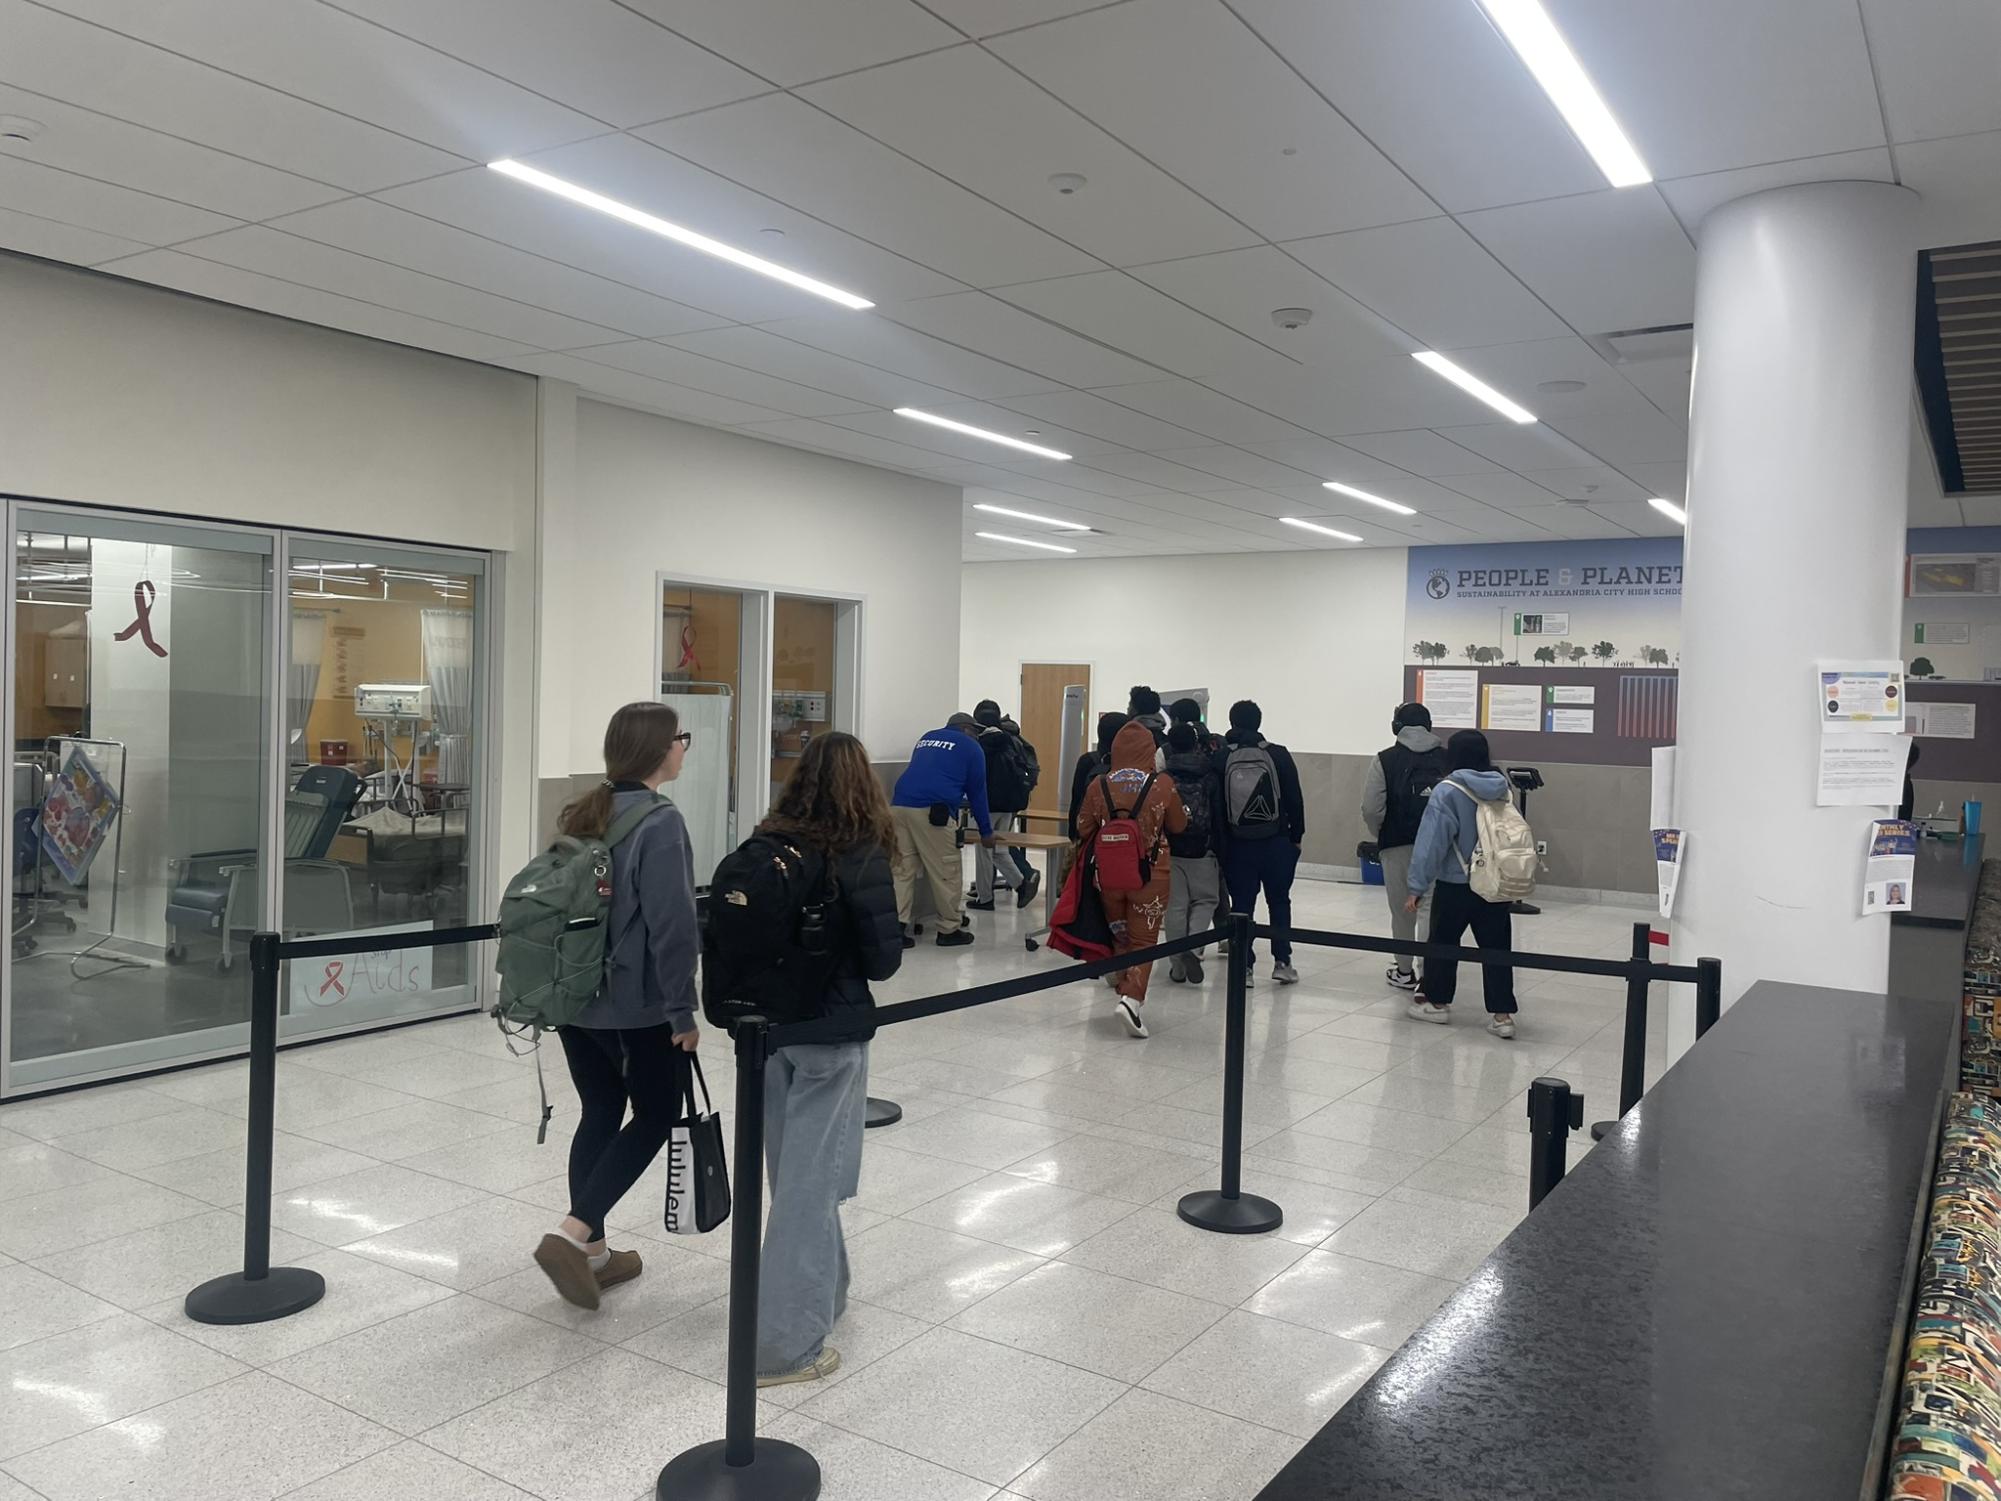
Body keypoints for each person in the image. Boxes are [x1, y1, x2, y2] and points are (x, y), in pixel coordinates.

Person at [533, 701, 699, 1311]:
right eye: (681, 738)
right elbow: (673, 927)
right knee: (656, 1113)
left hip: (573, 996)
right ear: (659, 751)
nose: (685, 747)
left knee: (601, 1109)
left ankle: (597, 1257)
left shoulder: (584, 811)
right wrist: (682, 1012)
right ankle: (573, 1234)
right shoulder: (660, 822)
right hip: (636, 1005)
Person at [750, 732, 903, 1388]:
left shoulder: (764, 843)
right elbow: (883, 959)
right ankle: (785, 1346)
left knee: (794, 1177)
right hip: (831, 1035)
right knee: (809, 1189)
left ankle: (826, 1291)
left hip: (766, 1032)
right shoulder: (857, 849)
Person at [1403, 729, 1519, 1038]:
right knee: (1496, 948)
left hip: (1456, 882)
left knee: (1442, 943)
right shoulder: (1502, 788)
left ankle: (1437, 1003)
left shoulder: (1448, 790)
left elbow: (1431, 843)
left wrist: (1416, 885)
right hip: (1495, 882)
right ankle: (1502, 1015)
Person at [1074, 721, 1187, 1037]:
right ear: (1150, 751)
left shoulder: (1099, 783)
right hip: (1151, 875)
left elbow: (1083, 827)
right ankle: (1131, 1000)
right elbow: (1178, 825)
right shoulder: (1161, 784)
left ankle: (1119, 974)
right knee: (1144, 939)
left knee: (1120, 932)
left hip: (1108, 875)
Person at [1216, 700, 1306, 986]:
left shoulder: (1221, 758)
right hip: (1277, 841)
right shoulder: (1278, 755)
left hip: (1238, 844)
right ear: (1259, 722)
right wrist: (1296, 838)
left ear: (1232, 723)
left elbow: (1217, 806)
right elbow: (1295, 798)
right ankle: (1282, 962)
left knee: (1242, 904)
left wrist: (1221, 844)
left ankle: (1244, 967)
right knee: (1279, 901)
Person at [1361, 703, 1448, 994]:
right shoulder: (1447, 759)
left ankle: (1404, 971)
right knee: (1430, 910)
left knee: (1402, 910)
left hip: (1397, 843)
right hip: (1439, 845)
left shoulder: (1385, 759)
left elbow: (1372, 808)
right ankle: (1429, 975)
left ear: (1397, 727)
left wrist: (1382, 834)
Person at [890, 713, 992, 947]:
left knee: (902, 870)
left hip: (898, 807)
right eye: (975, 731)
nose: (976, 736)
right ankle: (949, 929)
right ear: (966, 728)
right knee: (947, 870)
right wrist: (986, 831)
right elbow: (978, 793)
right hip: (933, 813)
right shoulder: (971, 747)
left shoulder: (927, 737)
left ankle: (896, 928)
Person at [1162, 720, 1222, 984]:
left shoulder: (1165, 777)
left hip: (1172, 848)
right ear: (1196, 744)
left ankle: (1177, 967)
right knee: (1206, 900)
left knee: (1175, 907)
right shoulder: (1209, 774)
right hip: (1202, 848)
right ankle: (1195, 947)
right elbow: (1218, 815)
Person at [969, 699, 1041, 912]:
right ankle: (1021, 884)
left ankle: (985, 899)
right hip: (1010, 805)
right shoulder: (1011, 739)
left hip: (986, 805)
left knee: (983, 851)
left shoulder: (978, 744)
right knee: (1000, 848)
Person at [1067, 711, 1128, 840]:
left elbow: (1077, 798)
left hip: (1091, 831)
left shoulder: (1088, 760)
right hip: (1123, 834)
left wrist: (1073, 834)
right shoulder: (1132, 764)